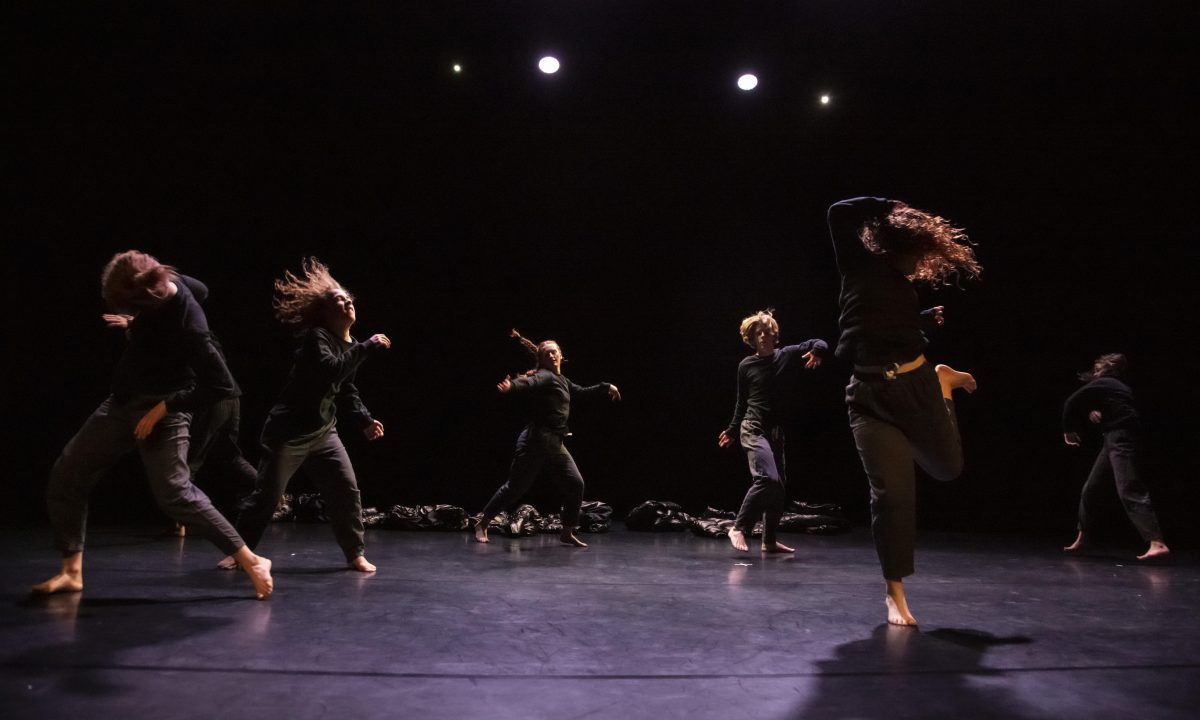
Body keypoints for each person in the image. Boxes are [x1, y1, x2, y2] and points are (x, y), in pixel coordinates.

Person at [34, 251, 273, 599]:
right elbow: (202, 288)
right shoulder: (169, 284)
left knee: (174, 492)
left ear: (149, 297)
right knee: (68, 472)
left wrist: (166, 406)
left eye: (135, 308)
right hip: (121, 402)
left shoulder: (191, 326)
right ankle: (71, 573)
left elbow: (223, 386)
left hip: (165, 409)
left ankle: (252, 560)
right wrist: (135, 324)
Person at [827, 197, 981, 626]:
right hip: (867, 396)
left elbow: (891, 325)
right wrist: (887, 203)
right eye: (916, 253)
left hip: (917, 385)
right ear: (897, 244)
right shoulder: (857, 263)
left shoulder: (903, 285)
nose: (919, 263)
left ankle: (944, 382)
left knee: (948, 468)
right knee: (892, 495)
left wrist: (924, 320)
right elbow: (838, 212)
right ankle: (894, 593)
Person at [224, 258, 389, 573]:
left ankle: (355, 553)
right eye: (337, 300)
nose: (346, 302)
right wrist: (368, 346)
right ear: (326, 312)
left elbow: (345, 389)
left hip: (323, 432)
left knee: (345, 490)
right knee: (268, 496)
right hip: (288, 432)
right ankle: (238, 551)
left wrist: (365, 420)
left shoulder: (350, 343)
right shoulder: (318, 339)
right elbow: (331, 370)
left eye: (347, 298)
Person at [103, 304, 256, 534]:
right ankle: (272, 490)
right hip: (232, 397)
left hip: (214, 399)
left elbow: (162, 341)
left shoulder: (185, 331)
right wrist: (134, 324)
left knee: (190, 459)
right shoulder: (197, 327)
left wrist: (134, 325)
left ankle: (181, 522)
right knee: (230, 456)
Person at [473, 330, 620, 547]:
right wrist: (512, 386)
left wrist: (606, 387)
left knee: (576, 485)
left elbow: (581, 391)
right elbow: (528, 383)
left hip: (555, 444)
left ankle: (567, 531)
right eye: (547, 354)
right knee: (515, 488)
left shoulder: (563, 380)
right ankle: (482, 522)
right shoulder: (544, 376)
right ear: (542, 359)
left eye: (555, 352)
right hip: (535, 442)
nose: (552, 356)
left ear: (561, 355)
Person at [718, 310, 827, 553]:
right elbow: (741, 402)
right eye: (759, 333)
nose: (764, 337)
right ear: (753, 338)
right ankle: (738, 527)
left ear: (775, 336)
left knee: (778, 490)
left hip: (775, 432)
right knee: (767, 478)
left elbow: (818, 342)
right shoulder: (746, 365)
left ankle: (768, 541)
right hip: (752, 428)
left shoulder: (785, 355)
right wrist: (733, 430)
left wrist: (818, 352)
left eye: (768, 332)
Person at [1062, 353, 1169, 560]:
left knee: (1128, 487)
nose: (1096, 373)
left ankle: (1157, 542)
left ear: (1106, 369)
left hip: (1120, 438)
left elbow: (1071, 402)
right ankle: (1083, 538)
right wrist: (1098, 411)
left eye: (1098, 369)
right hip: (1115, 438)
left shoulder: (1106, 382)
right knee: (1091, 488)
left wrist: (1068, 430)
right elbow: (1120, 408)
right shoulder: (1118, 387)